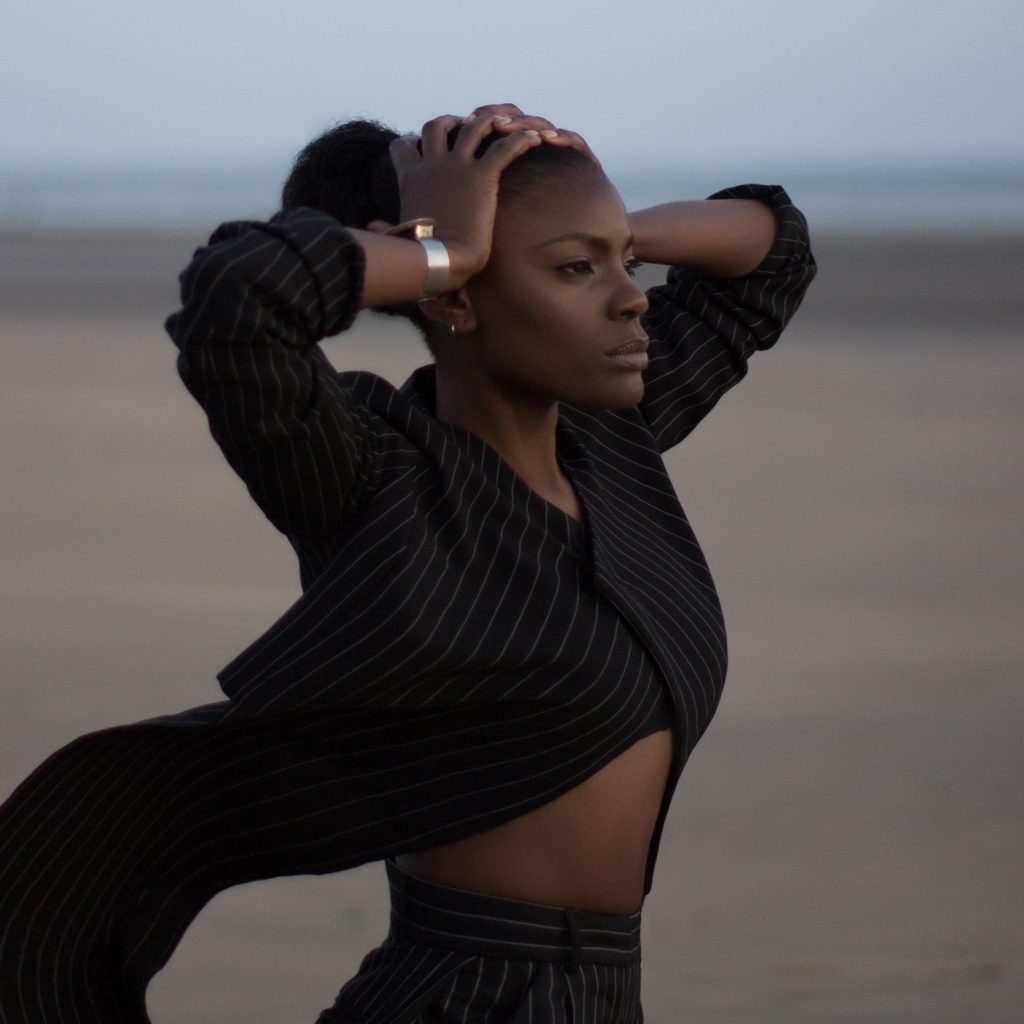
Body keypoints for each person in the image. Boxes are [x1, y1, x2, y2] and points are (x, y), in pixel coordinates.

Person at [0, 104, 815, 1023]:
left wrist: (590, 223)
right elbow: (235, 299)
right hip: (455, 998)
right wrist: (449, 246)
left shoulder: (610, 442)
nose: (632, 296)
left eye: (626, 262)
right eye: (576, 271)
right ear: (456, 298)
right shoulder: (372, 478)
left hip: (606, 995)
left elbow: (773, 249)